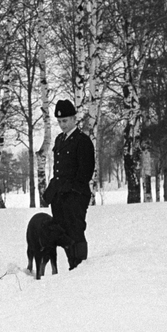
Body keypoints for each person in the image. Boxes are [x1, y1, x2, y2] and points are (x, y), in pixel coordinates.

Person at [43, 98, 94, 269]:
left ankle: (80, 267)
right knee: (62, 232)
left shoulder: (82, 141)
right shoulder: (59, 140)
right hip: (59, 196)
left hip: (76, 195)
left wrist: (67, 188)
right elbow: (58, 170)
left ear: (74, 119)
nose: (62, 125)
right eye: (59, 121)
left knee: (75, 231)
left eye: (65, 121)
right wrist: (51, 190)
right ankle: (72, 266)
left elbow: (84, 173)